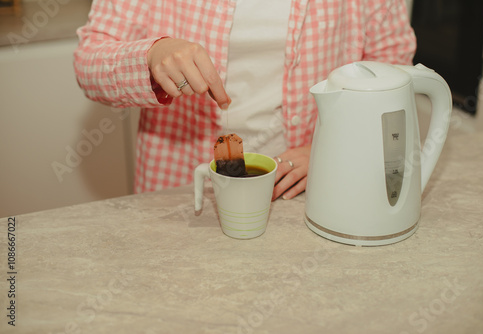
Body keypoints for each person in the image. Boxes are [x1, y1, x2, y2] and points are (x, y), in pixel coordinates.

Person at [74, 0, 416, 201]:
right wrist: (152, 55)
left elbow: (391, 65)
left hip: (312, 189)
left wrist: (335, 149)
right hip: (186, 194)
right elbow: (89, 61)